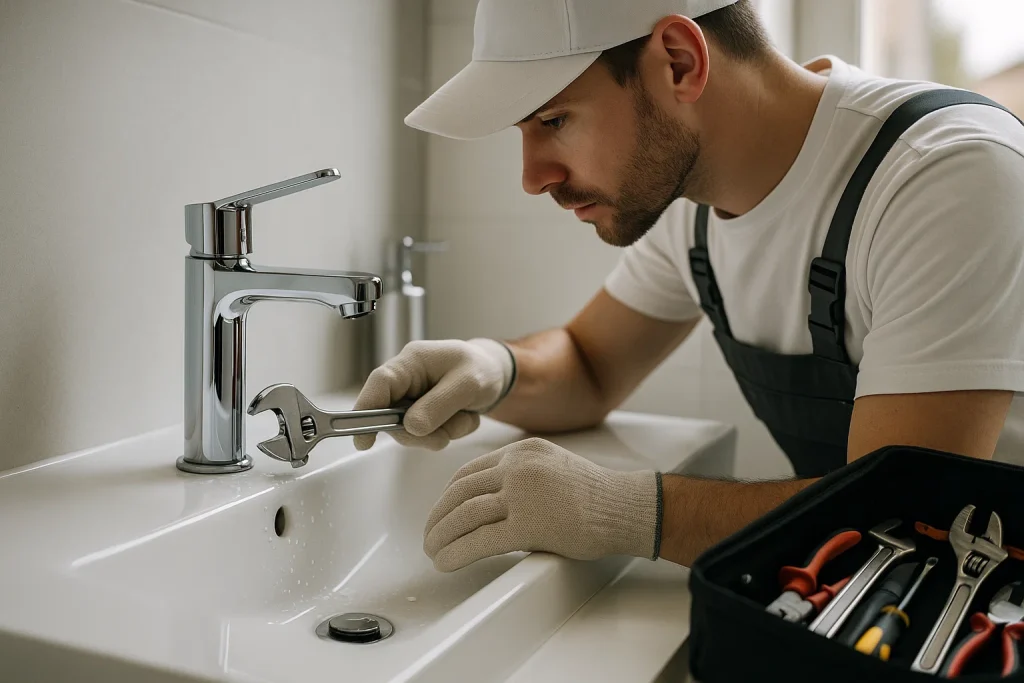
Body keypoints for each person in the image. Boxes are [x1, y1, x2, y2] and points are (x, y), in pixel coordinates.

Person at [353, 0, 1024, 573]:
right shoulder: (694, 209)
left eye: (553, 120)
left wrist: (623, 510)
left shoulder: (943, 174)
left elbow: (907, 512)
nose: (533, 177)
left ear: (679, 61)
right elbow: (589, 364)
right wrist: (492, 367)